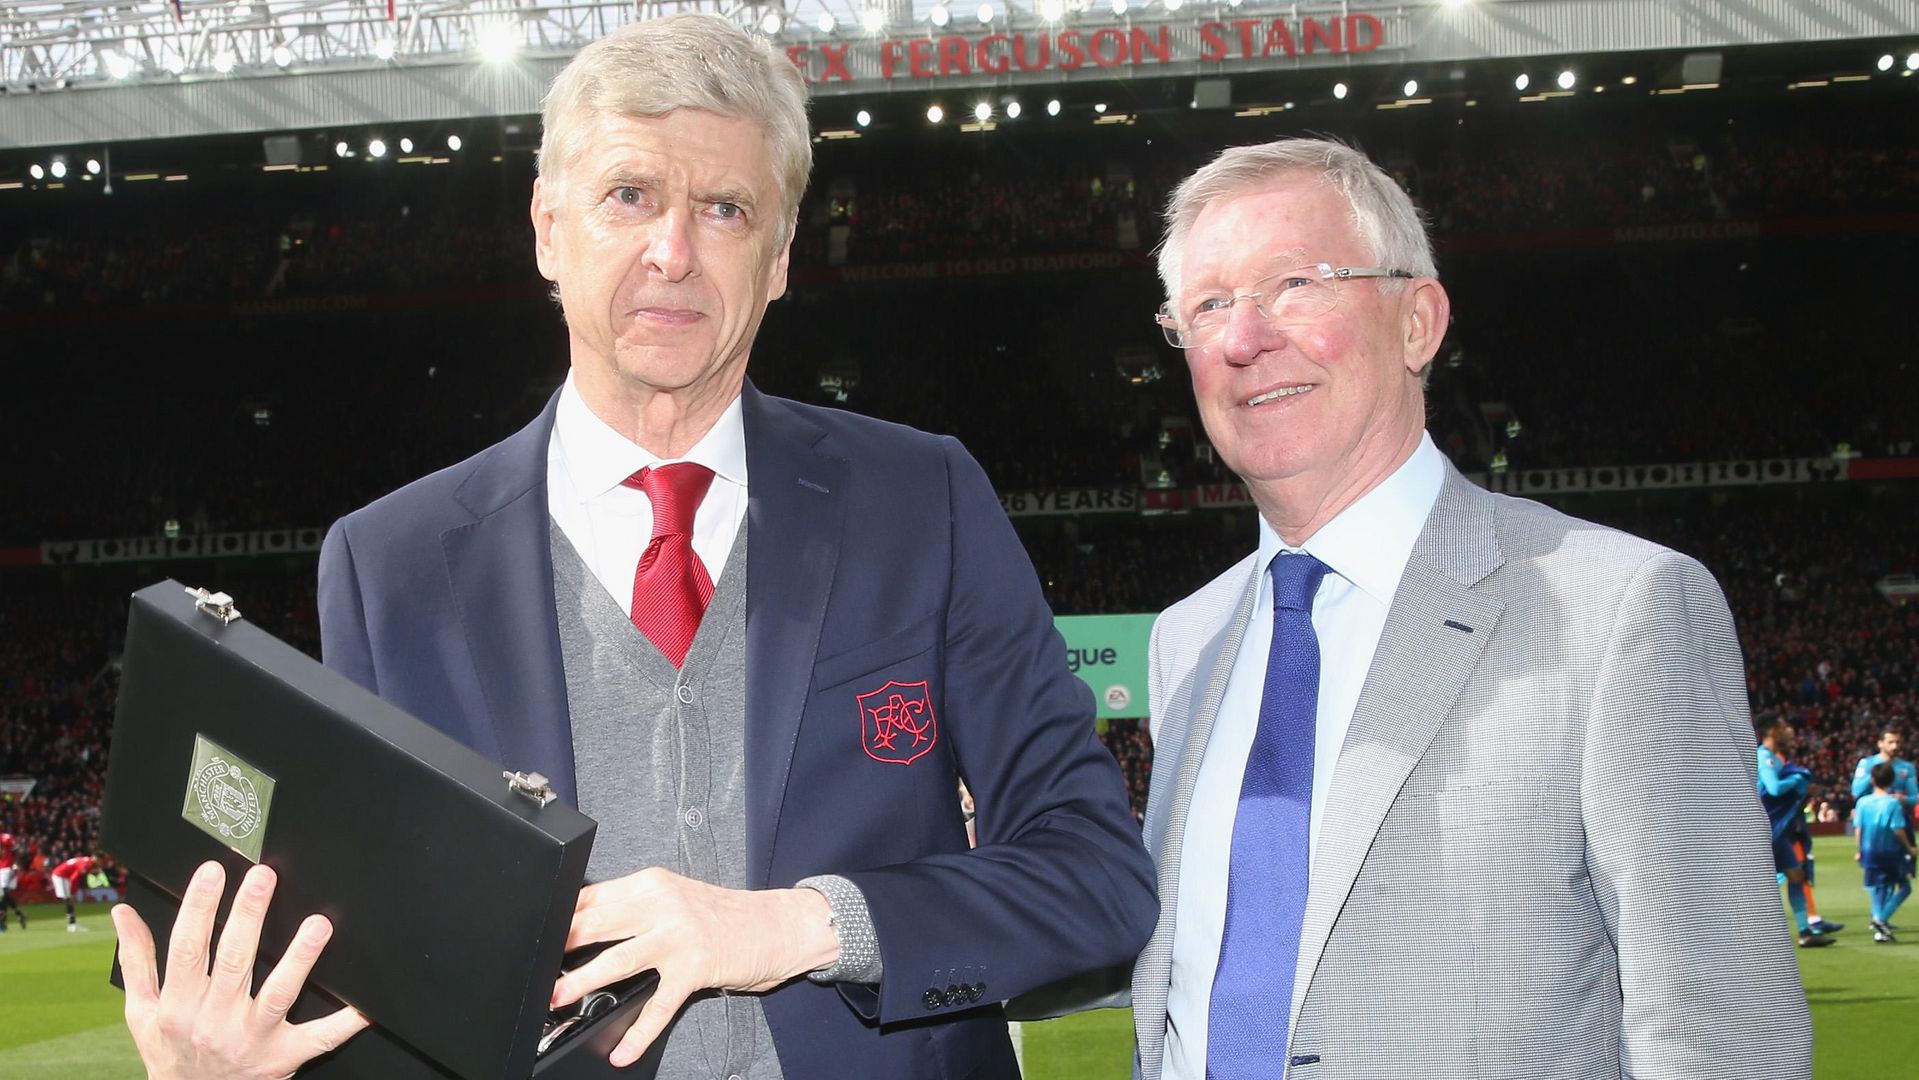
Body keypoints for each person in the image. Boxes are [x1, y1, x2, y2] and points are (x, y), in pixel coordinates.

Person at [109, 14, 1155, 1080]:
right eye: (629, 195)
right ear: (547, 229)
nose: (673, 252)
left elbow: (1096, 878)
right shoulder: (390, 568)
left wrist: (803, 925)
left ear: (780, 257)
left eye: (725, 208)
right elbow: (390, 990)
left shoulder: (921, 500)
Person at [1130, 137, 1809, 1077]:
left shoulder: (1621, 609)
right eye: (1209, 305)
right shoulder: (1186, 640)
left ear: (1418, 322)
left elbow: (1723, 1034)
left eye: (1294, 284)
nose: (1244, 339)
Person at [1758, 721, 1834, 948]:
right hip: (1767, 829)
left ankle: (1805, 931)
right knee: (1762, 883)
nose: (1790, 735)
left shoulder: (1775, 758)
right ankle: (1755, 931)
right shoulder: (1764, 756)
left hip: (1779, 832)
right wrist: (1796, 781)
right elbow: (1774, 788)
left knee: (1796, 875)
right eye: (1784, 730)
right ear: (1773, 731)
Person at [1857, 761, 1916, 943]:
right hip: (1889, 852)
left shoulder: (1863, 802)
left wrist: (1860, 850)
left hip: (1869, 851)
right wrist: (1909, 847)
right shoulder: (1892, 803)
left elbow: (1859, 828)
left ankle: (1880, 929)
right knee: (1904, 887)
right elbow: (1897, 829)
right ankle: (1881, 919)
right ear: (1892, 781)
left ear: (1872, 780)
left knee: (1878, 888)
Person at [1851, 726, 1918, 810]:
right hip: (1872, 811)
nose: (1895, 746)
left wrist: (1903, 799)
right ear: (1880, 743)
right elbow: (1856, 792)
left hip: (1896, 813)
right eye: (1890, 742)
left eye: (1897, 742)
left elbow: (1915, 798)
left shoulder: (1907, 767)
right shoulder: (1867, 763)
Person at [50, 853, 96, 932]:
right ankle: (72, 925)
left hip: (63, 876)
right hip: (61, 876)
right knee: (68, 900)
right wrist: (73, 892)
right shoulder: (86, 863)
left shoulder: (84, 860)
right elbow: (75, 877)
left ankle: (72, 924)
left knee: (68, 900)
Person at [0, 830, 24, 932]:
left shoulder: (7, 837)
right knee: (3, 896)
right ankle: (18, 914)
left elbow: (17, 850)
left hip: (7, 868)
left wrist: (16, 864)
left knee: (4, 892)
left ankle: (3, 923)